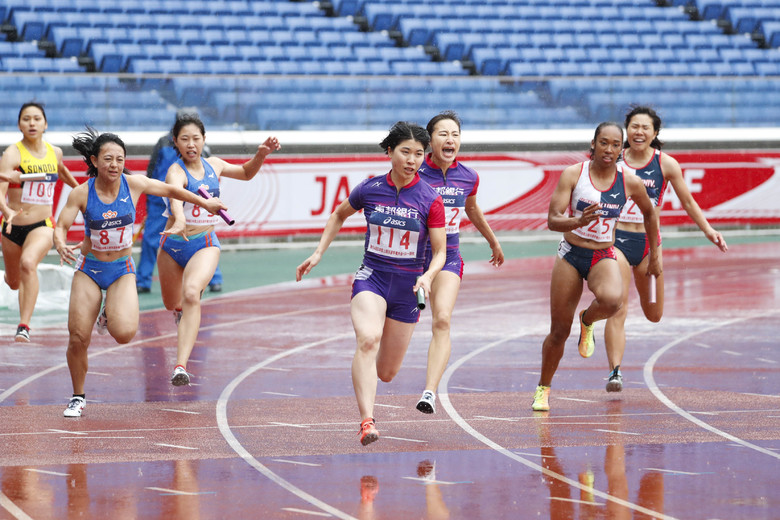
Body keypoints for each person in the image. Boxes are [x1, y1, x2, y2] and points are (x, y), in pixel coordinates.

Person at [53, 128, 226, 417]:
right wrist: (59, 241)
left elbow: (172, 190)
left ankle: (108, 313)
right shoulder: (81, 193)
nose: (114, 165)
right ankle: (78, 396)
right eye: (108, 159)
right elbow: (61, 226)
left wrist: (204, 202)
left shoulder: (133, 184)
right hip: (90, 269)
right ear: (94, 161)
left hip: (121, 270)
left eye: (119, 159)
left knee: (124, 334)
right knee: (78, 337)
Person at [296, 121, 446, 446]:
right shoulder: (369, 188)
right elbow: (337, 215)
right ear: (389, 151)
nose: (412, 160)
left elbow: (440, 252)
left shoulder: (430, 199)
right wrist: (318, 253)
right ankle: (367, 421)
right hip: (372, 279)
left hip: (408, 290)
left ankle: (369, 374)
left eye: (419, 154)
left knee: (387, 372)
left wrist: (429, 275)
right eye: (405, 152)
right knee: (367, 339)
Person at [532, 122, 662, 412]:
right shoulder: (573, 174)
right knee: (559, 332)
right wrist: (578, 221)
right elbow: (553, 220)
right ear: (594, 144)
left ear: (621, 148)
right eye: (604, 143)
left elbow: (650, 214)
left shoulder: (629, 181)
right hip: (570, 254)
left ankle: (588, 319)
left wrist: (655, 253)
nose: (610, 149)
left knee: (614, 302)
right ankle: (543, 388)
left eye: (616, 144)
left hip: (602, 254)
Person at [603, 106, 728, 392]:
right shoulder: (615, 161)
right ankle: (615, 372)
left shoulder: (666, 164)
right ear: (626, 131)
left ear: (655, 133)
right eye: (634, 126)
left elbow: (688, 202)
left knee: (654, 314)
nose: (639, 132)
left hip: (649, 245)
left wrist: (709, 231)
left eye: (645, 127)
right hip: (616, 240)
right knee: (617, 307)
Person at [158, 114, 280, 387]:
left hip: (205, 243)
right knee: (171, 303)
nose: (191, 144)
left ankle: (180, 366)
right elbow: (176, 198)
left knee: (191, 293)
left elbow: (247, 173)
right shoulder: (175, 172)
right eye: (185, 139)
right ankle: (180, 311)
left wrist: (261, 154)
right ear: (176, 142)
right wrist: (178, 219)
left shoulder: (214, 165)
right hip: (172, 245)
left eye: (196, 138)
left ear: (204, 140)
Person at [415, 110, 504, 414]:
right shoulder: (414, 172)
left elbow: (472, 209)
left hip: (449, 258)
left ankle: (429, 392)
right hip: (410, 259)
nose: (450, 139)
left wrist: (492, 240)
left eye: (455, 134)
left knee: (442, 319)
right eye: (443, 134)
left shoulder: (468, 176)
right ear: (429, 141)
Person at [0, 102, 79, 342]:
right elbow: (1, 189)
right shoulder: (12, 153)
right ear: (19, 124)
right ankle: (11, 278)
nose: (32, 123)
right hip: (12, 226)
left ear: (45, 124)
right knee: (14, 282)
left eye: (36, 119)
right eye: (26, 119)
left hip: (42, 224)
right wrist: (5, 210)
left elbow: (61, 170)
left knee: (28, 264)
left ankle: (24, 325)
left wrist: (83, 191)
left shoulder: (54, 151)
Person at [136, 108, 223, 294]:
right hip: (160, 200)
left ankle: (214, 278)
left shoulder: (202, 148)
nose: (190, 142)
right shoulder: (162, 142)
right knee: (152, 239)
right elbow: (151, 171)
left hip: (193, 199)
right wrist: (151, 198)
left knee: (203, 238)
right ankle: (143, 281)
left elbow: (208, 174)